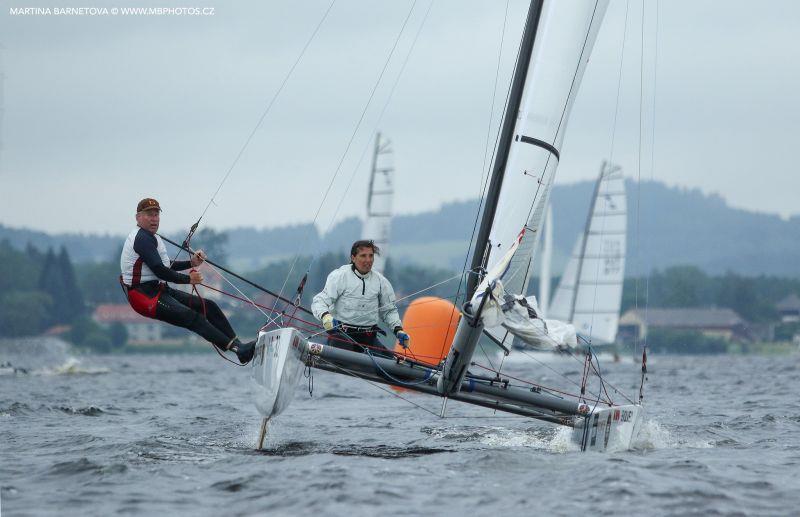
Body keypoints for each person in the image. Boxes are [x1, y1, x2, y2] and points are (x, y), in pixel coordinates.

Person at [120, 198, 255, 364]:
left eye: (156, 214)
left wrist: (191, 263)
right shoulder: (142, 239)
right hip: (143, 296)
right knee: (192, 318)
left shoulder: (151, 237)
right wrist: (188, 279)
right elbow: (159, 270)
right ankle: (237, 350)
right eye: (149, 215)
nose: (154, 218)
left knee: (208, 306)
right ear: (138, 217)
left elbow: (166, 265)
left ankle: (240, 347)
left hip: (157, 290)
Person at [311, 240, 410, 356]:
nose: (368, 260)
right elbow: (319, 301)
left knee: (393, 367)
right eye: (363, 256)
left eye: (371, 256)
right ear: (353, 258)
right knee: (344, 354)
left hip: (368, 339)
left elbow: (389, 311)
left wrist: (398, 330)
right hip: (342, 337)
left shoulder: (381, 282)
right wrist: (325, 316)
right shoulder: (339, 276)